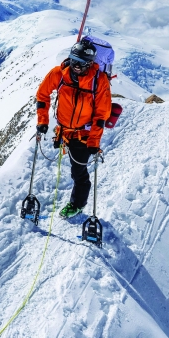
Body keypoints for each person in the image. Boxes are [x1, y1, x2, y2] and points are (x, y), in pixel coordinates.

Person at [35, 39, 113, 218]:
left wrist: (94, 141)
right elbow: (42, 94)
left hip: (84, 135)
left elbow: (101, 114)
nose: (76, 66)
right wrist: (43, 121)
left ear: (90, 63)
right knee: (74, 167)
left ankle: (77, 204)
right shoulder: (59, 73)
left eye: (81, 63)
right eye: (73, 61)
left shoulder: (99, 81)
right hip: (63, 131)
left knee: (79, 172)